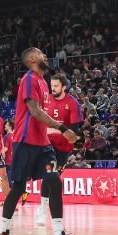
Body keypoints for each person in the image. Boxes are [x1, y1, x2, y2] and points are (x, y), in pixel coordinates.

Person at [0, 48, 85, 235]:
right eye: (42, 54)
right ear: (33, 59)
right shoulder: (29, 79)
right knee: (18, 188)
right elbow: (34, 112)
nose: (46, 56)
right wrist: (62, 128)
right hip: (25, 141)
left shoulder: (43, 82)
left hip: (43, 144)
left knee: (54, 180)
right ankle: (2, 233)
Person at [36, 73, 82, 227]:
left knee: (54, 177)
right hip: (48, 144)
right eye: (52, 85)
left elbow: (73, 131)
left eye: (56, 86)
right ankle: (43, 209)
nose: (53, 88)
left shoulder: (72, 103)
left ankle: (43, 209)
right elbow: (39, 122)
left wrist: (56, 130)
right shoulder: (46, 100)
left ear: (64, 87)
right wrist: (55, 131)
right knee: (49, 174)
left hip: (64, 147)